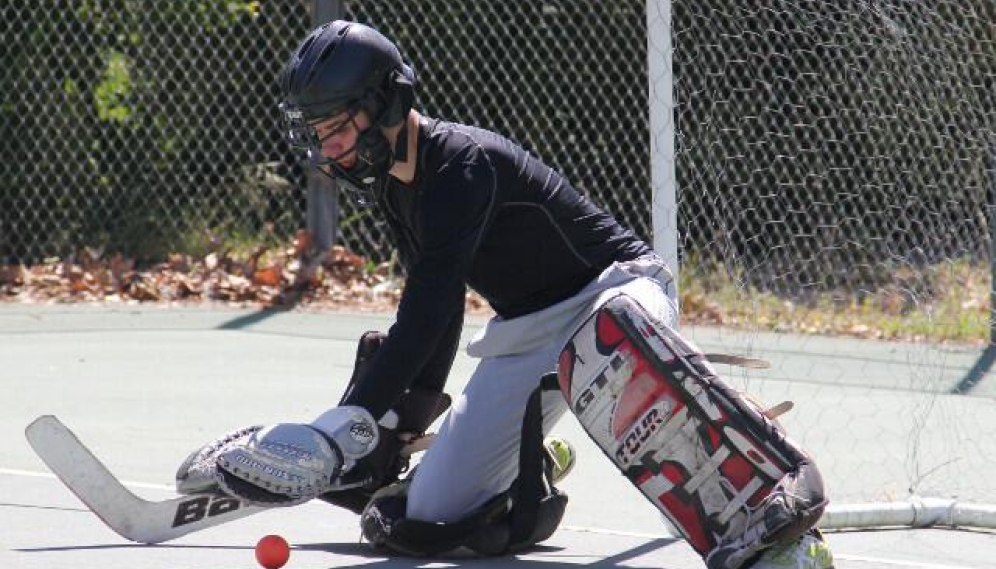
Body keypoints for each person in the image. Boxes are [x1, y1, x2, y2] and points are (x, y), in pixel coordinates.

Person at [174, 20, 834, 569]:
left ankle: (779, 484)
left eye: (338, 127)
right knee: (425, 515)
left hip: (615, 292)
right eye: (320, 135)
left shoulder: (462, 164)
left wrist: (343, 424)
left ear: (388, 105)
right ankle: (534, 469)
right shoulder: (394, 187)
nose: (331, 148)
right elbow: (434, 312)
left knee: (609, 343)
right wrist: (387, 428)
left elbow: (430, 306)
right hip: (529, 332)